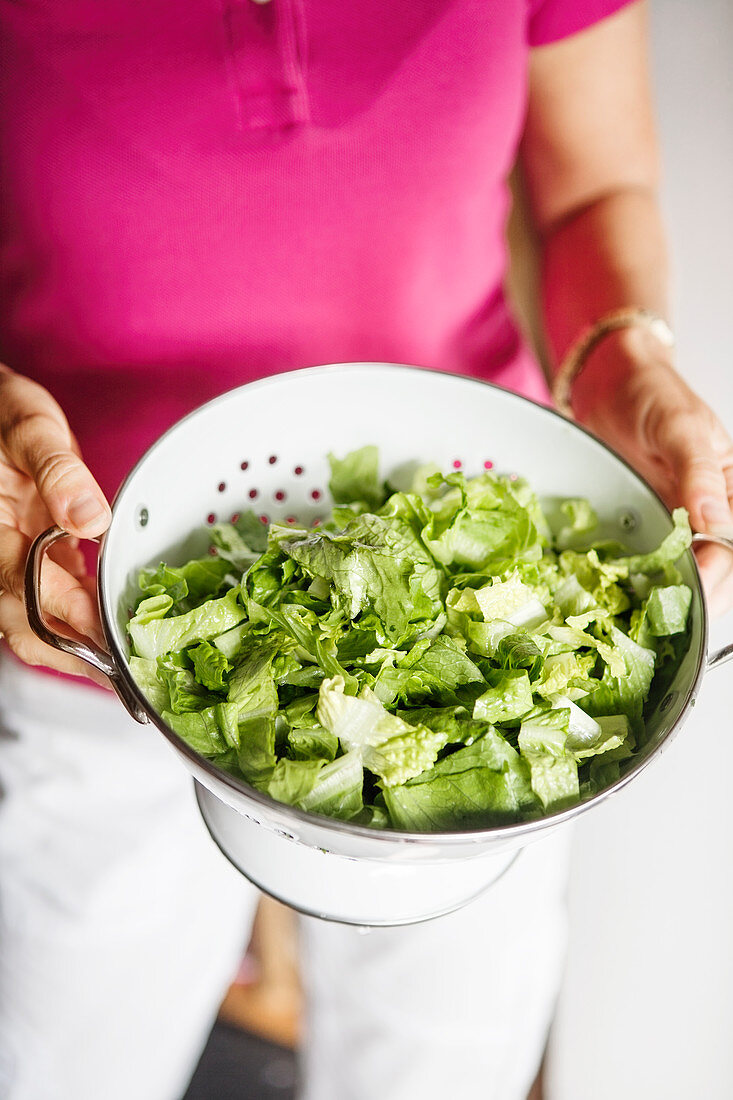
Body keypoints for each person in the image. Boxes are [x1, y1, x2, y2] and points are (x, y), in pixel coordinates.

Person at [1, 2, 731, 1098]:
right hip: (76, 580)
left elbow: (590, 191)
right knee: (63, 1051)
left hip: (489, 522)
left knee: (441, 1060)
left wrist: (622, 360)